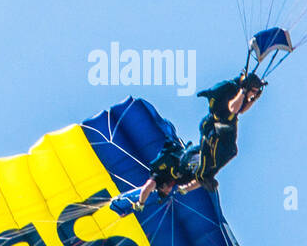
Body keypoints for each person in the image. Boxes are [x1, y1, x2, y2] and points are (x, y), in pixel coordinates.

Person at [111, 73, 264, 214]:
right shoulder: (180, 181)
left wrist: (140, 203)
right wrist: (185, 189)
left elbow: (147, 188)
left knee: (212, 159)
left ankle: (206, 156)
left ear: (161, 186)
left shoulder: (158, 175)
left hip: (194, 151)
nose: (169, 189)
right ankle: (207, 166)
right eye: (168, 191)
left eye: (164, 189)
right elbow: (194, 182)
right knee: (223, 158)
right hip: (206, 149)